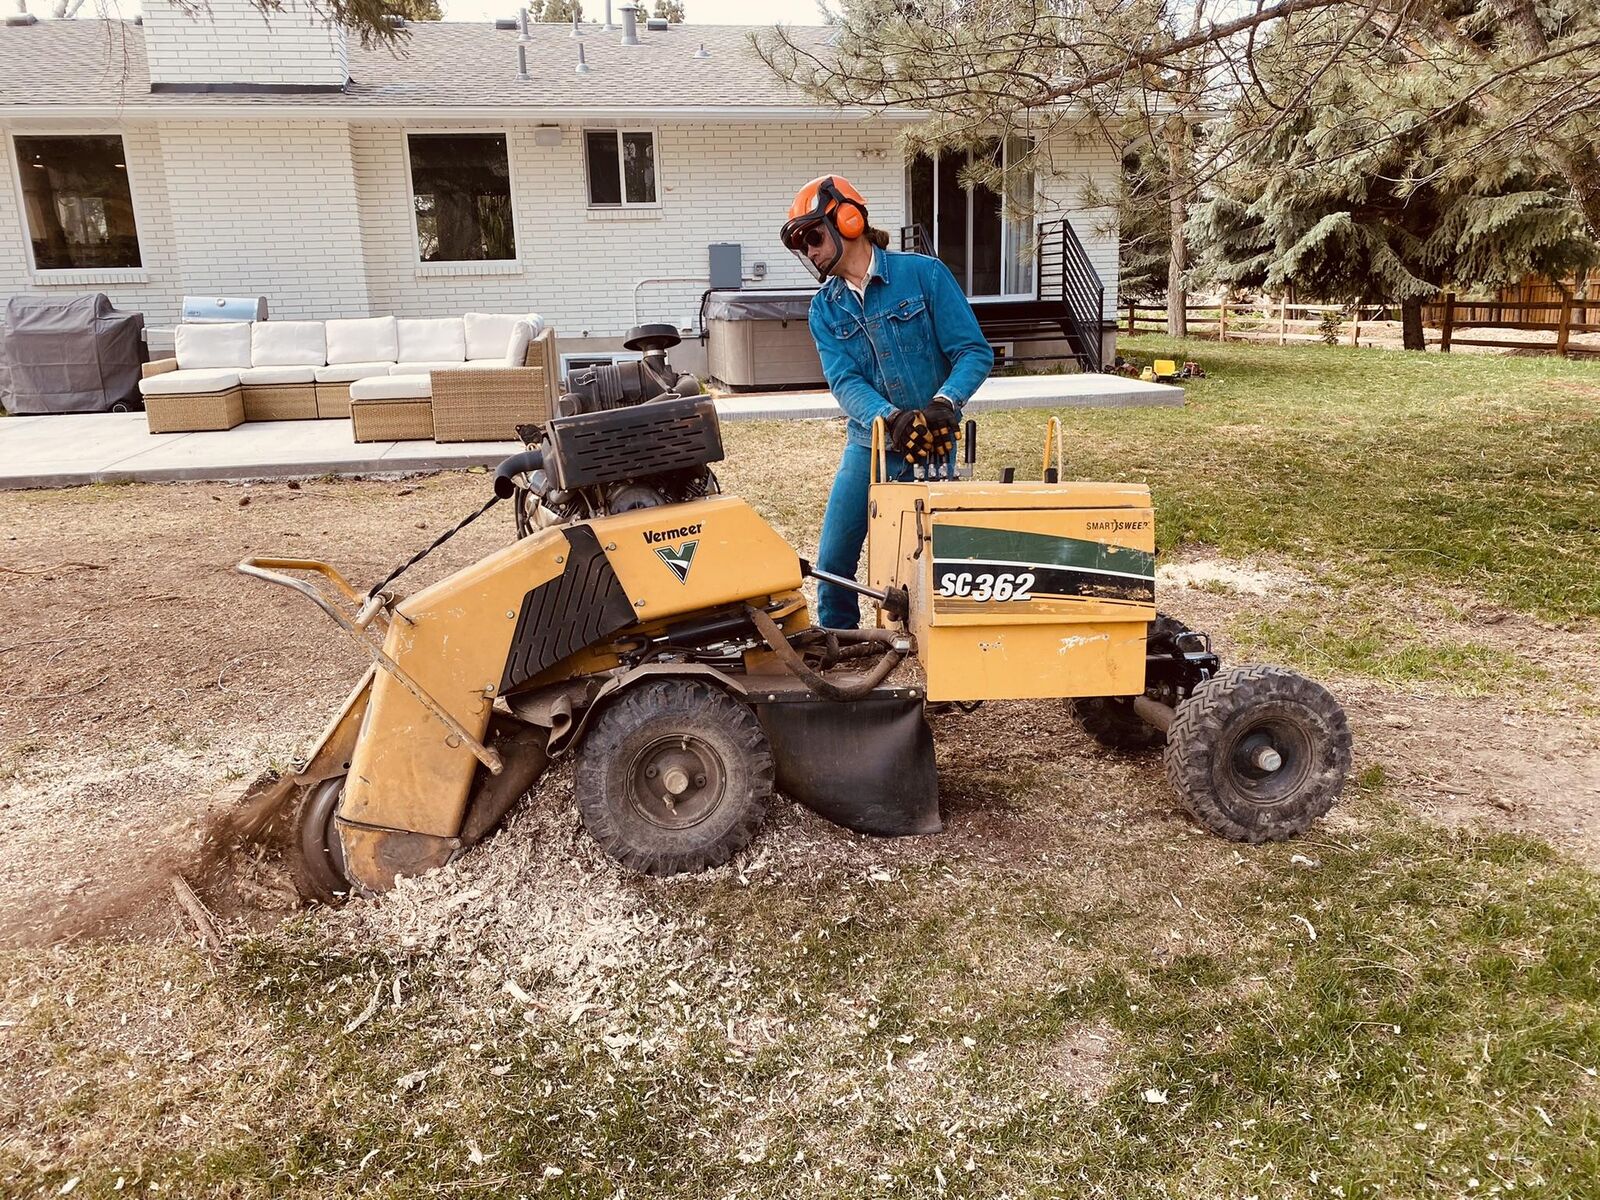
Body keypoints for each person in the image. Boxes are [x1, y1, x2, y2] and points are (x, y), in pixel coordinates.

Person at [780, 175, 994, 629]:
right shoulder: (824, 309)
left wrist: (945, 402)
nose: (809, 252)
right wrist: (890, 418)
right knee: (834, 559)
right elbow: (844, 380)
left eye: (813, 237)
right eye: (802, 246)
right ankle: (838, 641)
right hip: (869, 445)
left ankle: (934, 643)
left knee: (935, 558)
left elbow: (973, 351)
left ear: (848, 220)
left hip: (933, 442)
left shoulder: (924, 275)